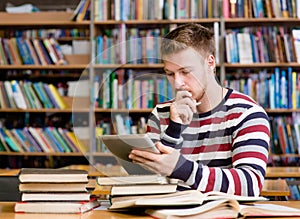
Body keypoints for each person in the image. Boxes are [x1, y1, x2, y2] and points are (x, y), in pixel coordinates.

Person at [129, 23, 270, 197]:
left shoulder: (247, 113)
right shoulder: (161, 113)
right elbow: (149, 181)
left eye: (185, 71)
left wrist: (181, 168)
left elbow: (249, 185)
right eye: (170, 74)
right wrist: (174, 127)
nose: (178, 83)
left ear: (210, 63)